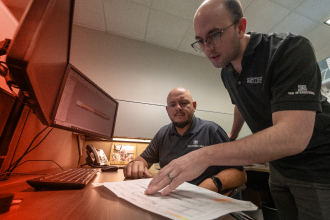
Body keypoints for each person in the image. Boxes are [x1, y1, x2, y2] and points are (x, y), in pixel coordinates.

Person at [145, 1, 330, 219]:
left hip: (316, 165)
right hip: (278, 167)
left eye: (214, 35)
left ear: (240, 27)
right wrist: (232, 134)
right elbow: (240, 103)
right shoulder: (227, 71)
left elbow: (294, 136)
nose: (207, 48)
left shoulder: (289, 50)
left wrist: (203, 156)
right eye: (200, 41)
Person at [124, 87, 247, 194]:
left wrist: (210, 184)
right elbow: (144, 159)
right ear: (167, 110)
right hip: (169, 198)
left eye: (183, 103)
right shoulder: (163, 133)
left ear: (194, 106)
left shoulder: (212, 131)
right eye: (172, 105)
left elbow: (239, 174)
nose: (178, 108)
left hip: (203, 201)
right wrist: (137, 164)